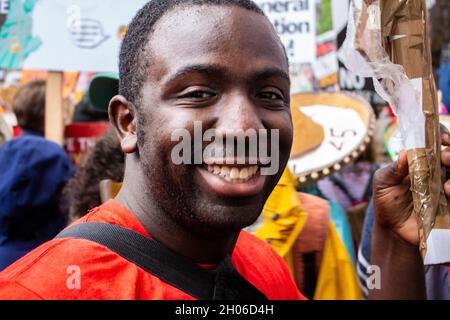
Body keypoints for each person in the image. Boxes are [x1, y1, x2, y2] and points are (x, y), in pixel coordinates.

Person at [0, 0, 446, 300]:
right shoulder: (39, 290)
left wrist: (394, 242)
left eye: (270, 95)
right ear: (128, 122)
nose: (246, 126)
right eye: (198, 92)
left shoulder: (262, 265)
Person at [0, 80, 74, 271]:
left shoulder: (7, 148)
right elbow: (66, 206)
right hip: (39, 256)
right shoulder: (52, 153)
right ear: (51, 112)